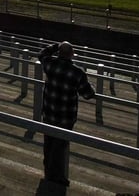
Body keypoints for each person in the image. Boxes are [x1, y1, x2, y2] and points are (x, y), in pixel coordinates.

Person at [38, 41, 95, 187]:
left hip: (49, 112)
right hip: (65, 117)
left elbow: (42, 54)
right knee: (60, 146)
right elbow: (88, 94)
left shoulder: (50, 64)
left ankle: (49, 172)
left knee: (49, 143)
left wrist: (56, 46)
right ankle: (56, 176)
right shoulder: (77, 72)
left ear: (59, 53)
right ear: (72, 54)